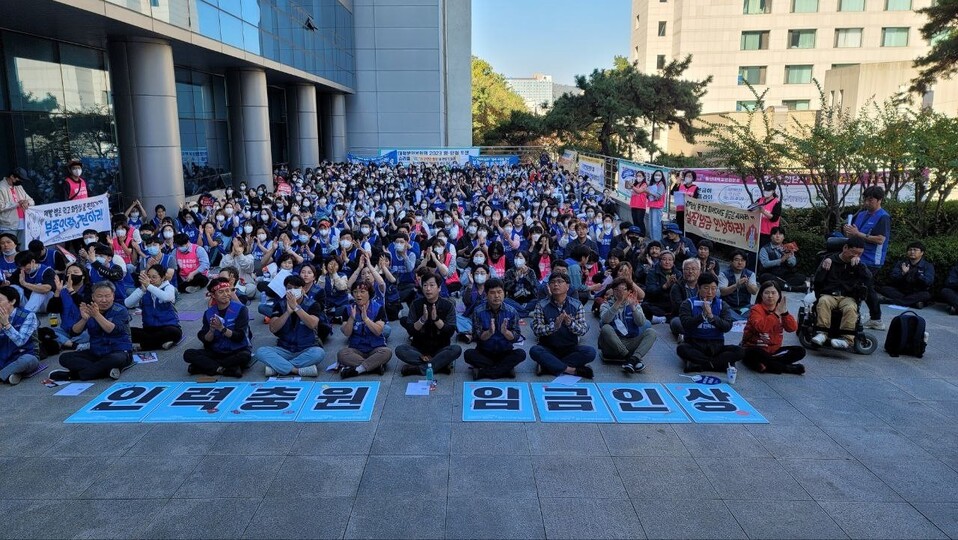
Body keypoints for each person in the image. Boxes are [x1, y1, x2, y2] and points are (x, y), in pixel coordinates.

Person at [49, 281, 134, 381]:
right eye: (99, 296)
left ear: (113, 296)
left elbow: (112, 330)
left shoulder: (120, 310)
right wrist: (84, 319)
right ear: (93, 297)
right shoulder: (88, 309)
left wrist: (96, 315)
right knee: (65, 358)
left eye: (107, 296)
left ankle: (74, 376)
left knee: (115, 359)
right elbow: (74, 332)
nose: (104, 300)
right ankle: (106, 370)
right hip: (96, 352)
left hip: (118, 350)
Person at [254, 274, 326, 378]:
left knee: (319, 353)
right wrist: (287, 312)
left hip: (306, 348)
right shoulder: (280, 304)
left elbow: (312, 324)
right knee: (261, 351)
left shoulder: (313, 304)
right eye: (289, 288)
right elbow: (273, 328)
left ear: (303, 289)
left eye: (296, 288)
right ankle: (296, 370)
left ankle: (278, 367)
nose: (292, 290)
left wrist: (296, 308)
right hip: (284, 349)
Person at [841, 186, 890, 331]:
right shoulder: (861, 214)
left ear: (879, 200)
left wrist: (858, 234)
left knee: (865, 287)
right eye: (865, 199)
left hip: (871, 259)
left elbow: (880, 239)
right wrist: (848, 231)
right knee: (860, 286)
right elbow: (852, 235)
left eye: (870, 200)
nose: (867, 203)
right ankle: (860, 316)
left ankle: (875, 318)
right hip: (856, 255)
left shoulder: (883, 217)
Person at [530, 272, 596, 378]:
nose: (556, 284)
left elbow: (583, 330)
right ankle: (571, 370)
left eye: (560, 282)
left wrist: (570, 323)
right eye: (552, 282)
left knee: (590, 352)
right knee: (534, 351)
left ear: (567, 286)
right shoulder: (541, 305)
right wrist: (554, 327)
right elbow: (537, 330)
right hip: (548, 347)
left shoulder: (576, 305)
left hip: (570, 348)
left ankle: (548, 366)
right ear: (549, 287)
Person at [183, 277, 252, 377]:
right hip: (216, 351)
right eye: (221, 292)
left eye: (227, 291)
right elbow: (205, 339)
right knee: (188, 354)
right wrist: (211, 331)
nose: (226, 294)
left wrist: (222, 329)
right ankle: (223, 369)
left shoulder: (241, 309)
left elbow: (240, 337)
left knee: (245, 356)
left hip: (236, 350)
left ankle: (205, 367)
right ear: (213, 295)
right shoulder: (209, 312)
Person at [811, 237, 872, 349]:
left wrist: (859, 267)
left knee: (851, 308)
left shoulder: (858, 265)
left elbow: (868, 279)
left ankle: (847, 339)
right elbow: (818, 280)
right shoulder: (829, 260)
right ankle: (822, 333)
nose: (856, 256)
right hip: (829, 294)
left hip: (847, 296)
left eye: (859, 254)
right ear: (845, 248)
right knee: (824, 301)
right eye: (853, 252)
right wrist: (824, 269)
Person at [677, 274, 744, 373]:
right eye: (706, 288)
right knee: (681, 349)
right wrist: (702, 316)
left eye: (713, 289)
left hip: (716, 345)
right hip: (695, 343)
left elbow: (727, 326)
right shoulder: (688, 303)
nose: (710, 292)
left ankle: (700, 365)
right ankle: (719, 365)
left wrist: (711, 316)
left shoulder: (722, 304)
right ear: (698, 288)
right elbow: (686, 325)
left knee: (740, 351)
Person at [397, 272, 461, 376]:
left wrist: (436, 319)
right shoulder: (416, 304)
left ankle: (419, 369)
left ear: (439, 288)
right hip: (419, 350)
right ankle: (439, 365)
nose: (428, 289)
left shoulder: (448, 305)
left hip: (441, 349)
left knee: (456, 349)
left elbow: (449, 332)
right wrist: (422, 320)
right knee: (400, 350)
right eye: (425, 285)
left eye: (432, 285)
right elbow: (410, 329)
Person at [465, 277, 526, 379]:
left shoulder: (512, 311)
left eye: (499, 292)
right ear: (486, 294)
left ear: (504, 293)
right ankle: (505, 370)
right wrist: (489, 332)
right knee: (468, 354)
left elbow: (516, 336)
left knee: (521, 354)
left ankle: (483, 373)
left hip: (505, 352)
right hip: (484, 352)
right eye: (492, 293)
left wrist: (506, 332)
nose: (497, 296)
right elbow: (477, 337)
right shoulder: (478, 311)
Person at [741, 281, 806, 375]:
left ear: (779, 295)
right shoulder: (756, 309)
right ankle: (785, 368)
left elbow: (792, 328)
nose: (770, 296)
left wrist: (785, 313)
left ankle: (767, 365)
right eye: (766, 293)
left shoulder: (780, 309)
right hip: (755, 348)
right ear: (761, 295)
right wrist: (776, 314)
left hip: (774, 351)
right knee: (753, 354)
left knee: (800, 351)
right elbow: (761, 327)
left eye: (773, 293)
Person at [598, 277, 656, 373]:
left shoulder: (634, 304)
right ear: (612, 291)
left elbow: (641, 323)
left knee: (651, 332)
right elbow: (605, 320)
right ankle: (629, 359)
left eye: (623, 289)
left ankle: (634, 359)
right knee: (606, 328)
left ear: (629, 291)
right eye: (616, 289)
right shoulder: (606, 304)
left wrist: (633, 308)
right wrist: (618, 302)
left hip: (630, 341)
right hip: (611, 345)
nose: (619, 292)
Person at [338, 280, 391, 378]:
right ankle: (374, 366)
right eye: (355, 292)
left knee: (387, 352)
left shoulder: (378, 308)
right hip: (356, 349)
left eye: (362, 292)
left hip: (375, 348)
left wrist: (366, 319)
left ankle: (357, 369)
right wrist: (351, 318)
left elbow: (378, 331)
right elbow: (347, 333)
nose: (358, 295)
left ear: (369, 293)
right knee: (342, 354)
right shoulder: (348, 309)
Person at [124, 264, 181, 351]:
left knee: (173, 333)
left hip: (168, 327)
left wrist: (149, 287)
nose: (150, 280)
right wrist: (142, 290)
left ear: (162, 278)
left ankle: (144, 346)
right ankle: (161, 343)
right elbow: (128, 304)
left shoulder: (169, 287)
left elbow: (167, 297)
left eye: (154, 277)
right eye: (148, 276)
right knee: (127, 332)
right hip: (149, 329)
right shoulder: (144, 289)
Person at [0, 285, 39, 385]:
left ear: (12, 301)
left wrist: (6, 325)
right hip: (3, 358)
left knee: (26, 361)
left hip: (23, 355)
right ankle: (11, 375)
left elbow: (20, 341)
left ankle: (3, 375)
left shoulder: (28, 315)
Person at [877, 241, 935, 309]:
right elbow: (893, 277)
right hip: (901, 291)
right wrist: (903, 273)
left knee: (926, 295)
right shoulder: (901, 263)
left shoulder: (928, 266)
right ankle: (913, 303)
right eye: (910, 250)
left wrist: (918, 275)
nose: (912, 252)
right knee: (885, 289)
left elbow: (928, 281)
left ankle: (891, 301)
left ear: (922, 253)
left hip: (917, 292)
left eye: (915, 250)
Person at [758, 226, 807, 291]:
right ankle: (791, 288)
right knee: (765, 277)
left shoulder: (787, 247)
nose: (777, 236)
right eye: (775, 234)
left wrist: (789, 258)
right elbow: (765, 264)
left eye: (780, 234)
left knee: (801, 277)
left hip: (784, 275)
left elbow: (793, 264)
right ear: (771, 237)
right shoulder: (764, 249)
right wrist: (781, 260)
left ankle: (783, 285)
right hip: (771, 274)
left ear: (783, 237)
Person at [718, 250, 759, 321]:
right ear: (731, 261)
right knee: (723, 309)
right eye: (737, 260)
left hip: (744, 307)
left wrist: (747, 284)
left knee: (756, 309)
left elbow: (754, 292)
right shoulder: (724, 274)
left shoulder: (750, 274)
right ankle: (742, 320)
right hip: (729, 306)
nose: (740, 263)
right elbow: (723, 292)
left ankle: (738, 319)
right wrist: (736, 285)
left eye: (742, 260)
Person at [0, 168, 34, 246]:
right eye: (20, 178)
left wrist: (27, 202)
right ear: (12, 176)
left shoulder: (19, 187)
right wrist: (16, 203)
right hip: (7, 226)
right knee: (9, 249)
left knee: (22, 248)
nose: (21, 181)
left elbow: (31, 201)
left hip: (23, 223)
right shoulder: (1, 187)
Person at [669, 258, 701, 338]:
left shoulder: (704, 286)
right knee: (676, 322)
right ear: (683, 271)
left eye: (694, 269)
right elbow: (679, 306)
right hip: (684, 317)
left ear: (699, 271)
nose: (690, 272)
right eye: (687, 269)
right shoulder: (677, 287)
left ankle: (689, 336)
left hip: (701, 316)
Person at [751, 181, 782, 247]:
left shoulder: (776, 202)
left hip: (768, 234)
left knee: (764, 253)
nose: (766, 191)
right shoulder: (760, 200)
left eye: (769, 190)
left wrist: (764, 212)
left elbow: (774, 218)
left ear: (773, 191)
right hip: (756, 231)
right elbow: (751, 209)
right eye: (765, 189)